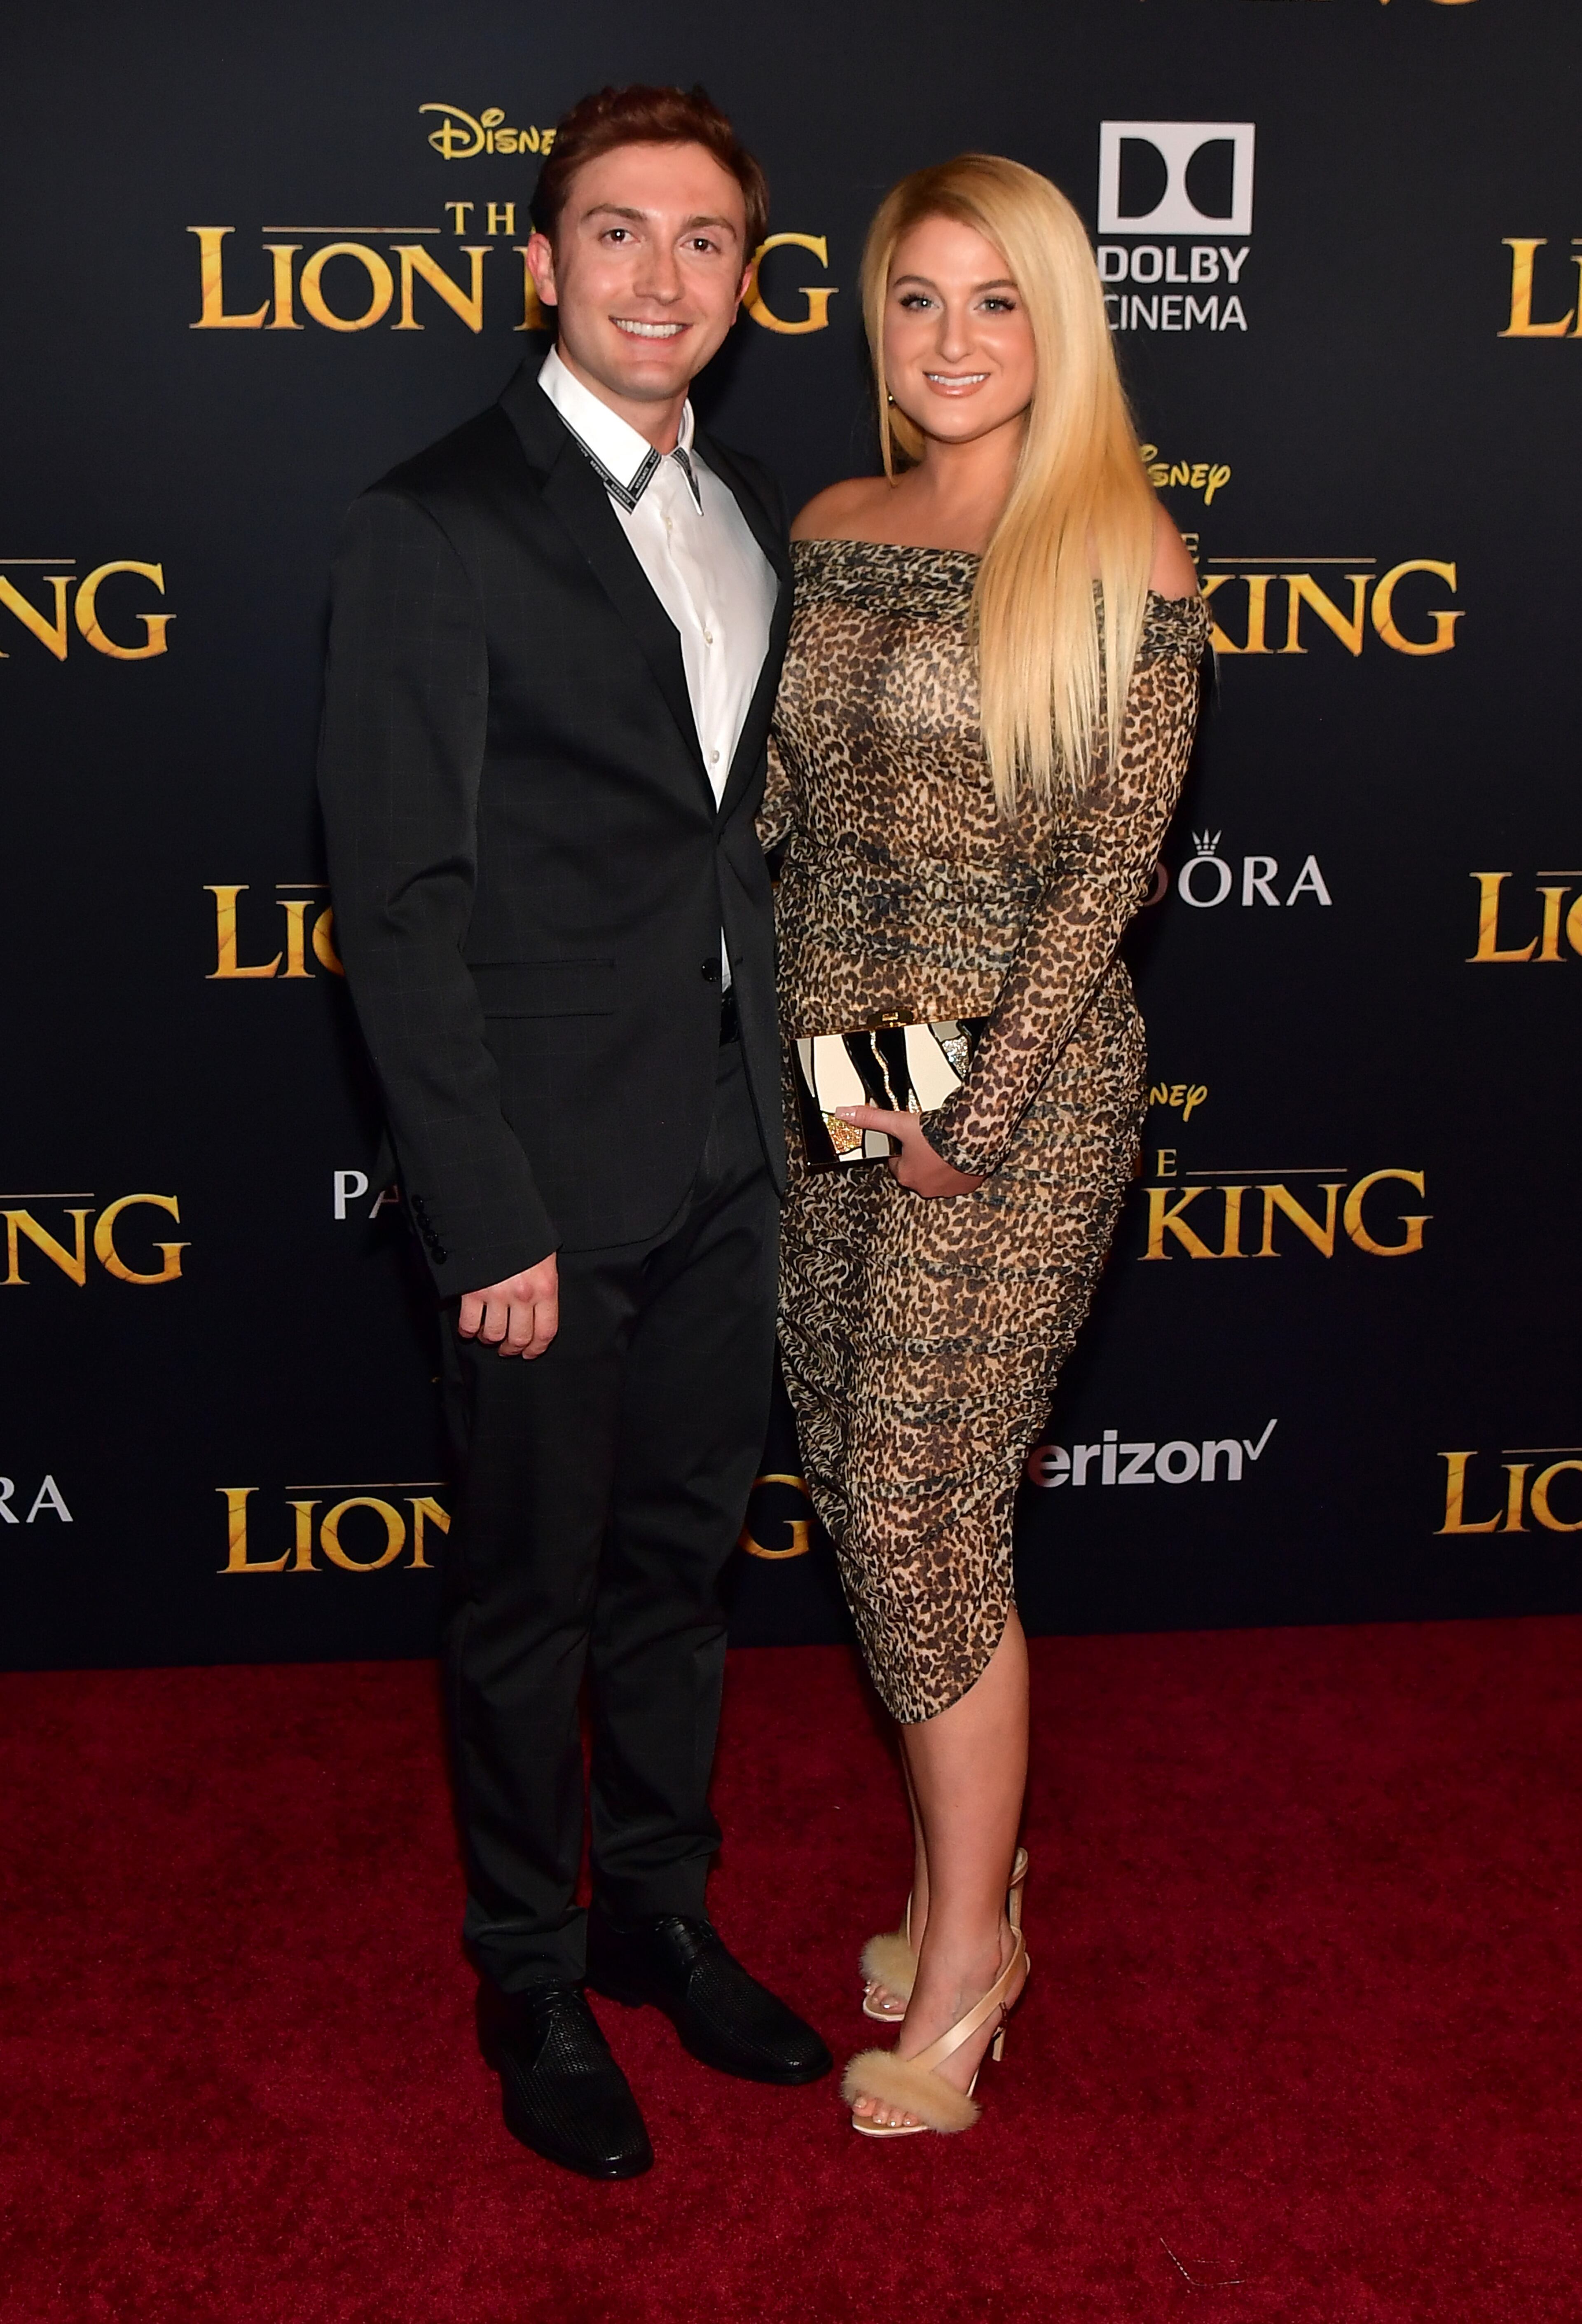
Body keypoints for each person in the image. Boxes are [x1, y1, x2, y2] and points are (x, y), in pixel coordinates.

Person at [318, 82, 831, 2183]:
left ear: (743, 281)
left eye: (702, 241)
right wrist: (486, 1213)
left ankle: (656, 1913)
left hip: (733, 1160)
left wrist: (843, 1117)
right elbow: (398, 909)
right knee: (530, 1593)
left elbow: (769, 866)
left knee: (683, 1575)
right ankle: (526, 1969)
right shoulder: (435, 519)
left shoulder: (753, 520)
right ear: (538, 263)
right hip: (542, 1182)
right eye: (617, 234)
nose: (660, 277)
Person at [761, 154, 1206, 2137]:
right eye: (917, 300)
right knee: (867, 1487)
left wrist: (980, 1110)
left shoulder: (1124, 550)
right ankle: (969, 1875)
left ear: (1060, 324)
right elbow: (774, 810)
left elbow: (1106, 879)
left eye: (995, 300)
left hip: (1005, 1091)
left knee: (930, 1507)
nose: (952, 340)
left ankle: (970, 1969)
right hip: (833, 1064)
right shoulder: (837, 522)